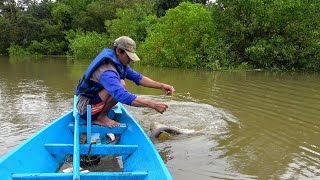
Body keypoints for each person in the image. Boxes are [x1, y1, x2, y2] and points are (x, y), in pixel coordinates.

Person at [75, 36, 175, 128]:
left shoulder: (118, 63)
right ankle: (100, 117)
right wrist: (153, 104)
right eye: (129, 56)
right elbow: (122, 96)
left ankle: (103, 106)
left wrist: (161, 86)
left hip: (94, 99)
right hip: (86, 109)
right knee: (121, 84)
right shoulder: (107, 71)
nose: (130, 60)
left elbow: (138, 78)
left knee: (120, 83)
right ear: (119, 51)